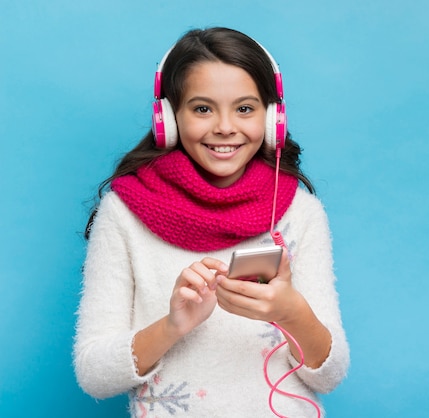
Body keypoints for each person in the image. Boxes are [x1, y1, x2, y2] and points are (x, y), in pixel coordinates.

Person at [73, 27, 349, 417]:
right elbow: (94, 375)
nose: (224, 126)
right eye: (203, 108)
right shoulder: (123, 213)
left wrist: (292, 314)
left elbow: (329, 377)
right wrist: (172, 326)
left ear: (273, 119)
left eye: (245, 108)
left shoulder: (299, 213)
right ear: (168, 118)